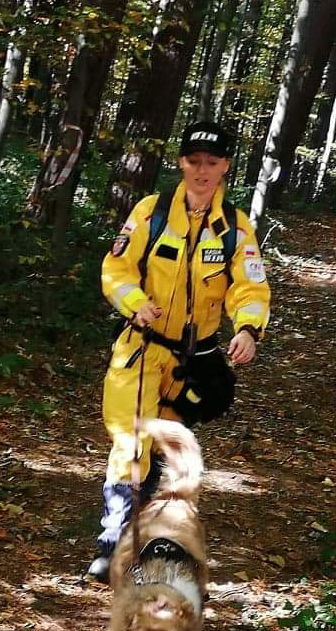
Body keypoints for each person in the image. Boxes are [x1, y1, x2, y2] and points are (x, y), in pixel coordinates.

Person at [87, 120, 271, 580]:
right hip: (141, 348)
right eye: (194, 161)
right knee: (131, 441)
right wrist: (134, 302)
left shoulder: (235, 228)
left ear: (226, 166)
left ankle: (141, 534)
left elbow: (249, 287)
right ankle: (113, 542)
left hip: (192, 361)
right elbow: (116, 269)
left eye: (212, 162)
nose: (202, 170)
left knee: (163, 446)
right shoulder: (151, 213)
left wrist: (248, 329)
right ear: (181, 163)